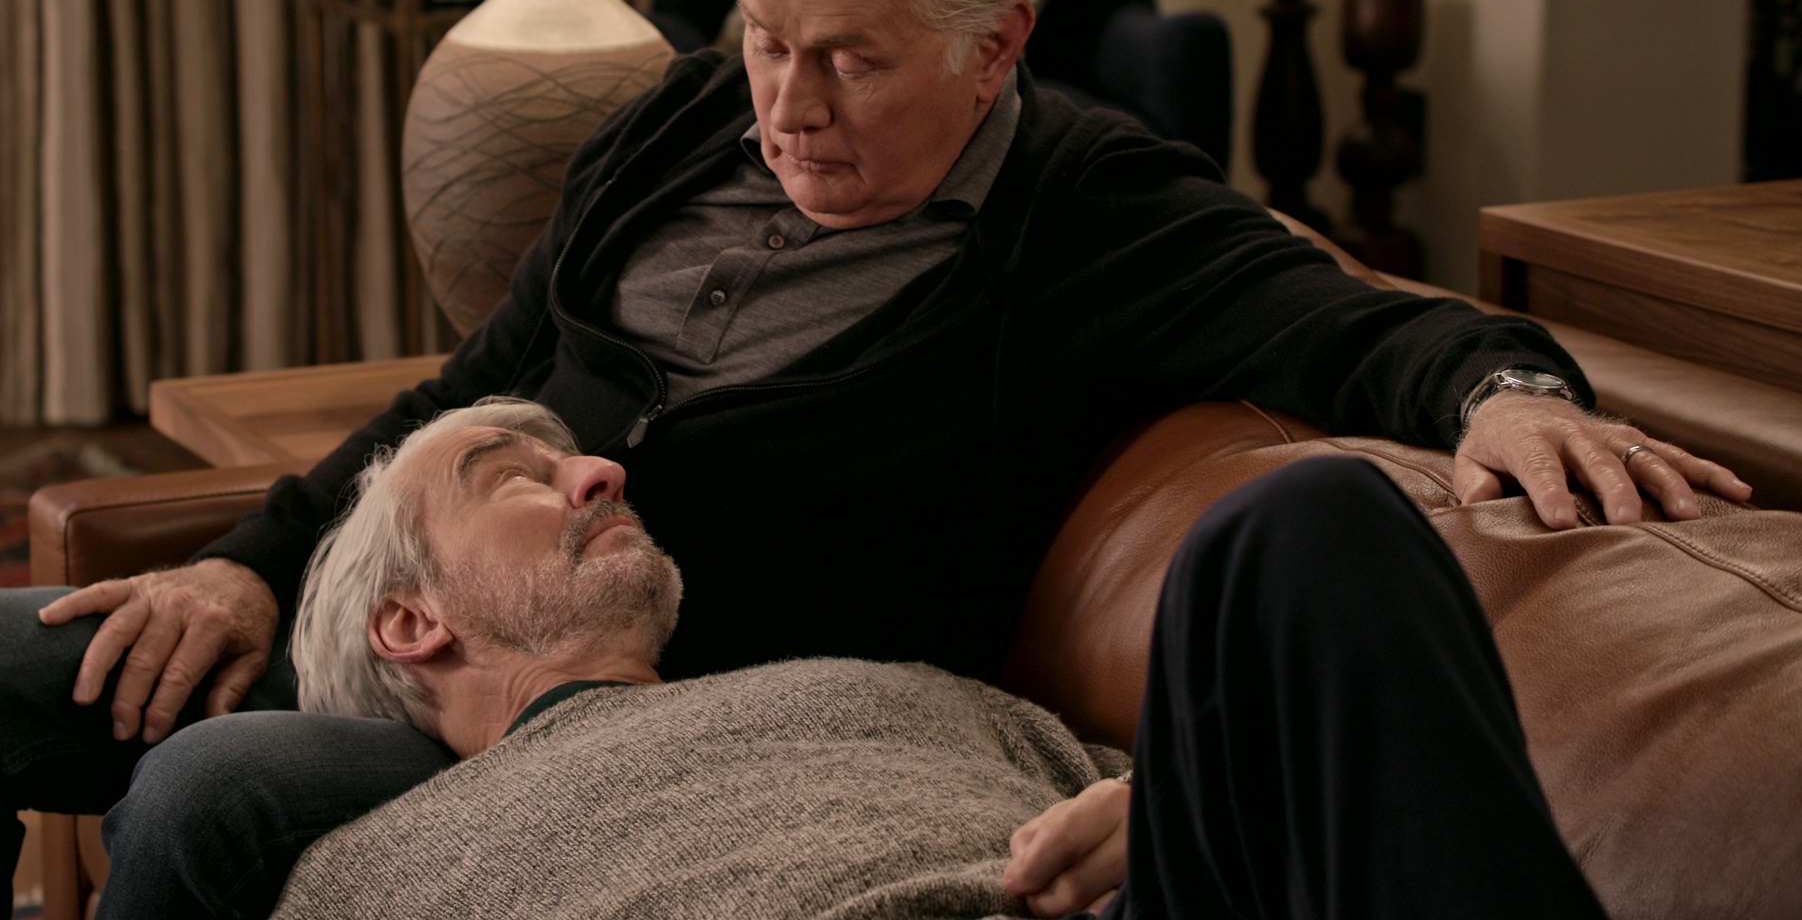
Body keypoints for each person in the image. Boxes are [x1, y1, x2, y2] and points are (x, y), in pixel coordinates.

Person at [2, 0, 1748, 918]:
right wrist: (249, 566)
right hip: (460, 623)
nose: (785, 104)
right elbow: (481, 380)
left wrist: (1507, 395)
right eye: (766, 37)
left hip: (685, 722)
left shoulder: (1090, 214)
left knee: (219, 787)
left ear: (995, 44)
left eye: (849, 60)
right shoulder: (683, 120)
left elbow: (1362, 322)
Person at [266, 398, 1606, 919]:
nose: (598, 472)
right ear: (411, 622)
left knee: (1305, 518)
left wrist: (1162, 809)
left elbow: (1258, 829)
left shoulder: (896, 691)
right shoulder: (366, 874)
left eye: (576, 457)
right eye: (516, 476)